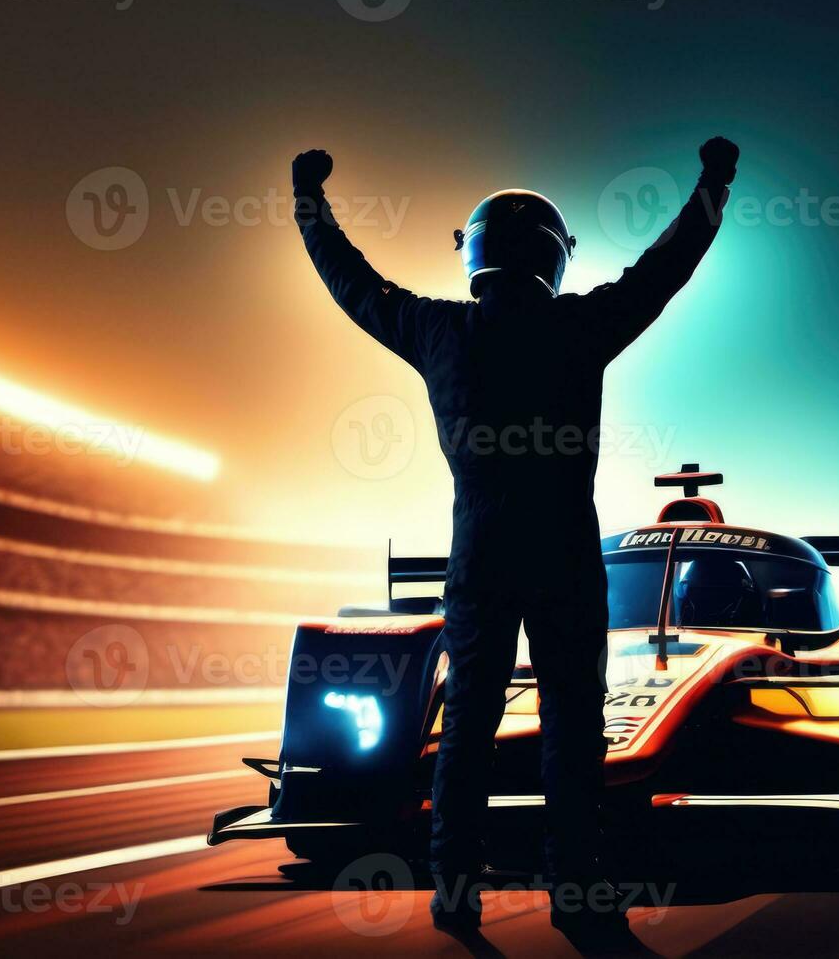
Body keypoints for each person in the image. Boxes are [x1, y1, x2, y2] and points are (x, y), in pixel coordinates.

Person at [292, 137, 738, 943]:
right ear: (551, 259)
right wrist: (713, 184)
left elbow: (352, 286)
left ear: (476, 255)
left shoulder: (435, 330)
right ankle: (575, 889)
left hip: (480, 556)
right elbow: (666, 267)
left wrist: (309, 206)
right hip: (565, 553)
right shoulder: (583, 325)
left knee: (468, 721)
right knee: (573, 726)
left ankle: (454, 893)